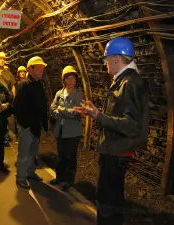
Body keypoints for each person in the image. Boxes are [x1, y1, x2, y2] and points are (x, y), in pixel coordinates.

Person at [74, 37, 149, 225]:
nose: (106, 64)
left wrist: (98, 116)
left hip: (117, 150)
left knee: (107, 200)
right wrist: (94, 112)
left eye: (107, 59)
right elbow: (119, 113)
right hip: (114, 148)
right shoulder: (123, 80)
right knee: (111, 198)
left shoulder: (130, 82)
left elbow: (131, 125)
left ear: (117, 59)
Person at [14, 56, 48, 189]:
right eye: (38, 68)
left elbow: (42, 104)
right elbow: (17, 107)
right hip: (27, 126)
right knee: (24, 153)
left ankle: (30, 172)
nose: (41, 71)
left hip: (35, 126)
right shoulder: (24, 85)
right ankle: (20, 177)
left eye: (42, 68)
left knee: (33, 152)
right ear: (30, 69)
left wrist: (43, 123)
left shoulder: (38, 84)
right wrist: (25, 125)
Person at [49, 66, 83, 191]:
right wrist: (59, 112)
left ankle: (69, 180)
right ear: (63, 80)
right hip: (60, 130)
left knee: (71, 156)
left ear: (76, 80)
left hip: (73, 132)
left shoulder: (79, 94)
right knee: (61, 155)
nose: (70, 81)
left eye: (72, 78)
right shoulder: (59, 93)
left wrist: (61, 110)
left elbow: (76, 113)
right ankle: (60, 177)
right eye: (67, 79)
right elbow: (52, 109)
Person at [0, 52, 16, 147]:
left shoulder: (8, 73)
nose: (2, 60)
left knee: (5, 119)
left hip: (6, 100)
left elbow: (13, 86)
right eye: (0, 58)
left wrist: (13, 98)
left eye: (4, 59)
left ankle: (5, 139)